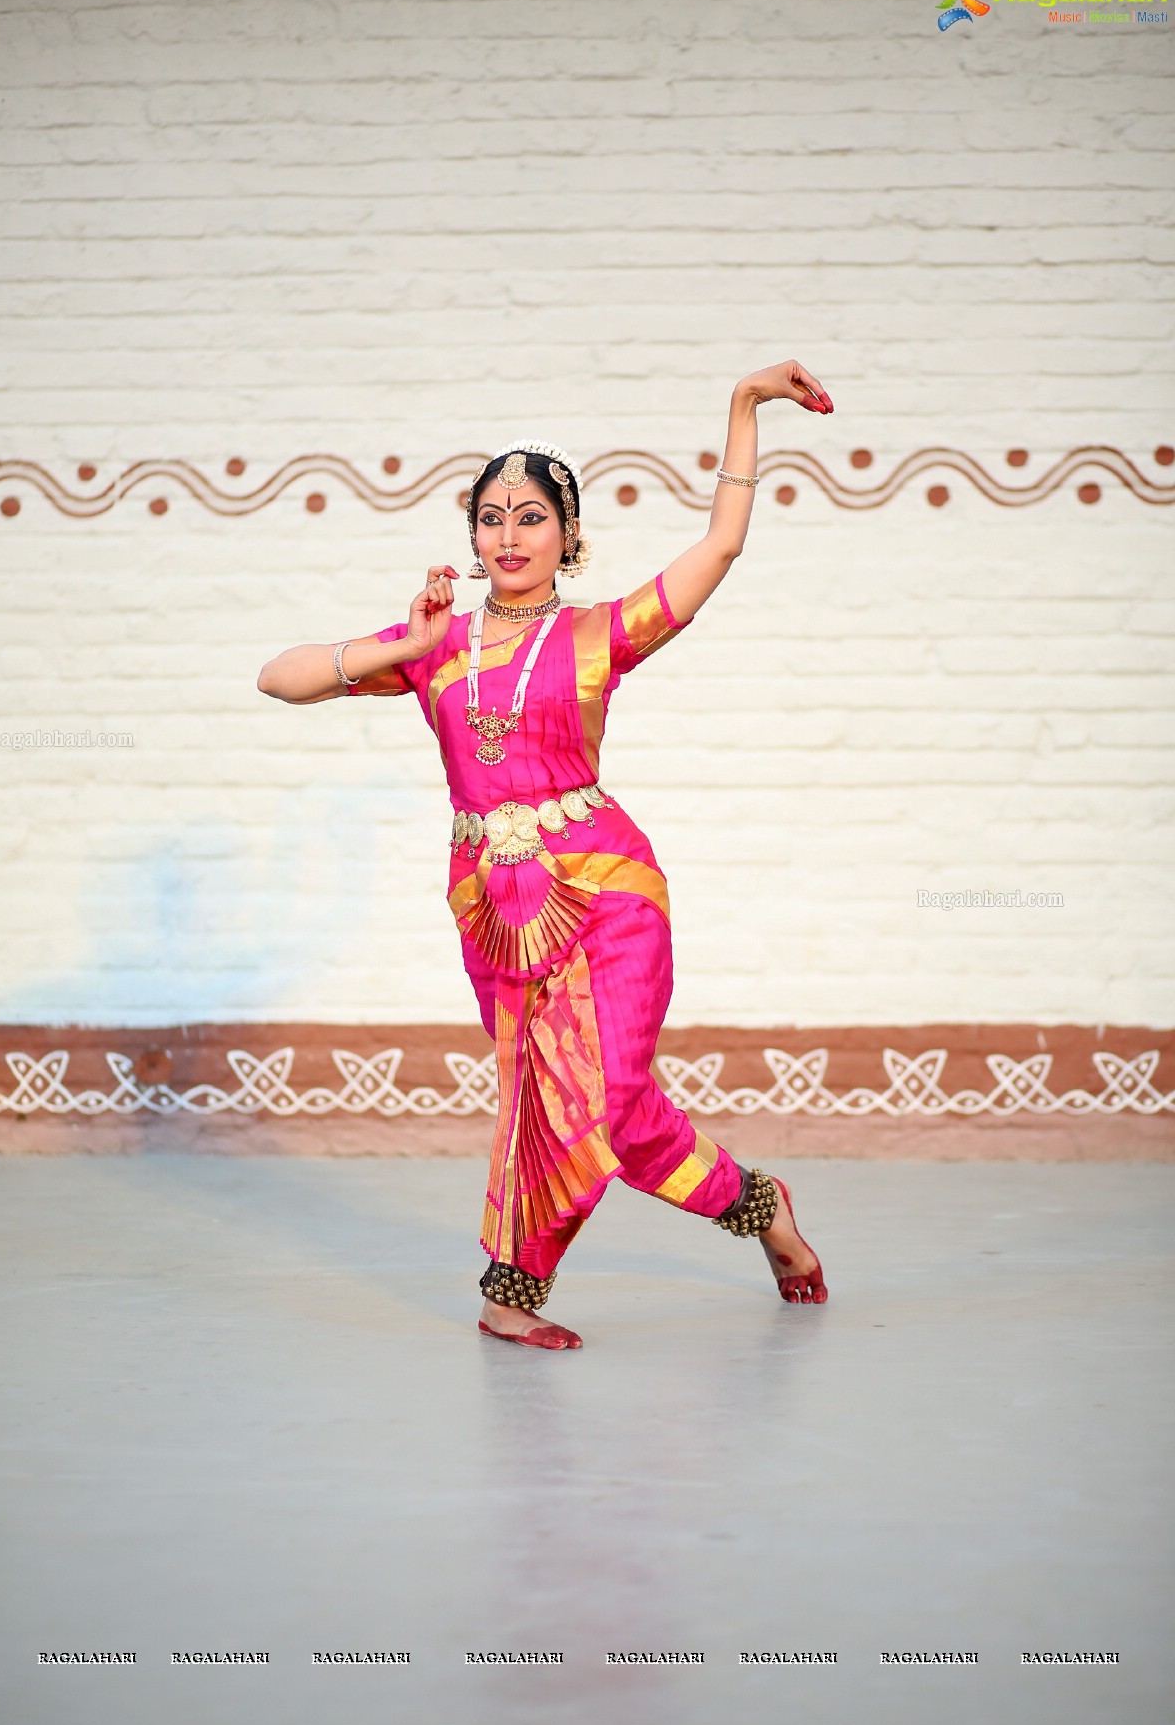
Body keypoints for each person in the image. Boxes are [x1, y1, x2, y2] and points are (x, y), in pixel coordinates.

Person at [258, 360, 833, 1349]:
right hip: (496, 908)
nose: (509, 535)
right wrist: (400, 648)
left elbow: (722, 543)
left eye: (531, 517)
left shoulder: (603, 635)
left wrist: (742, 406)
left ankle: (518, 1285)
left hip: (605, 891)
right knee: (562, 1106)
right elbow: (279, 678)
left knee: (599, 1095)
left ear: (569, 537)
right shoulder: (432, 643)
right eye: (491, 518)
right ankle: (750, 1212)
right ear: (472, 539)